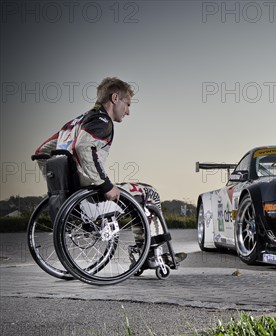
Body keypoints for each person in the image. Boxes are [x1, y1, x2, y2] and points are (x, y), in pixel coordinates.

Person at [34, 77, 186, 266]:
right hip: (92, 198)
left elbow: (41, 153)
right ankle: (151, 255)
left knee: (137, 194)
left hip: (71, 197)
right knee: (150, 193)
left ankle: (146, 252)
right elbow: (83, 147)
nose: (128, 111)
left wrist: (59, 185)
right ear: (115, 98)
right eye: (127, 104)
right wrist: (105, 185)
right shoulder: (101, 121)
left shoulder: (74, 123)